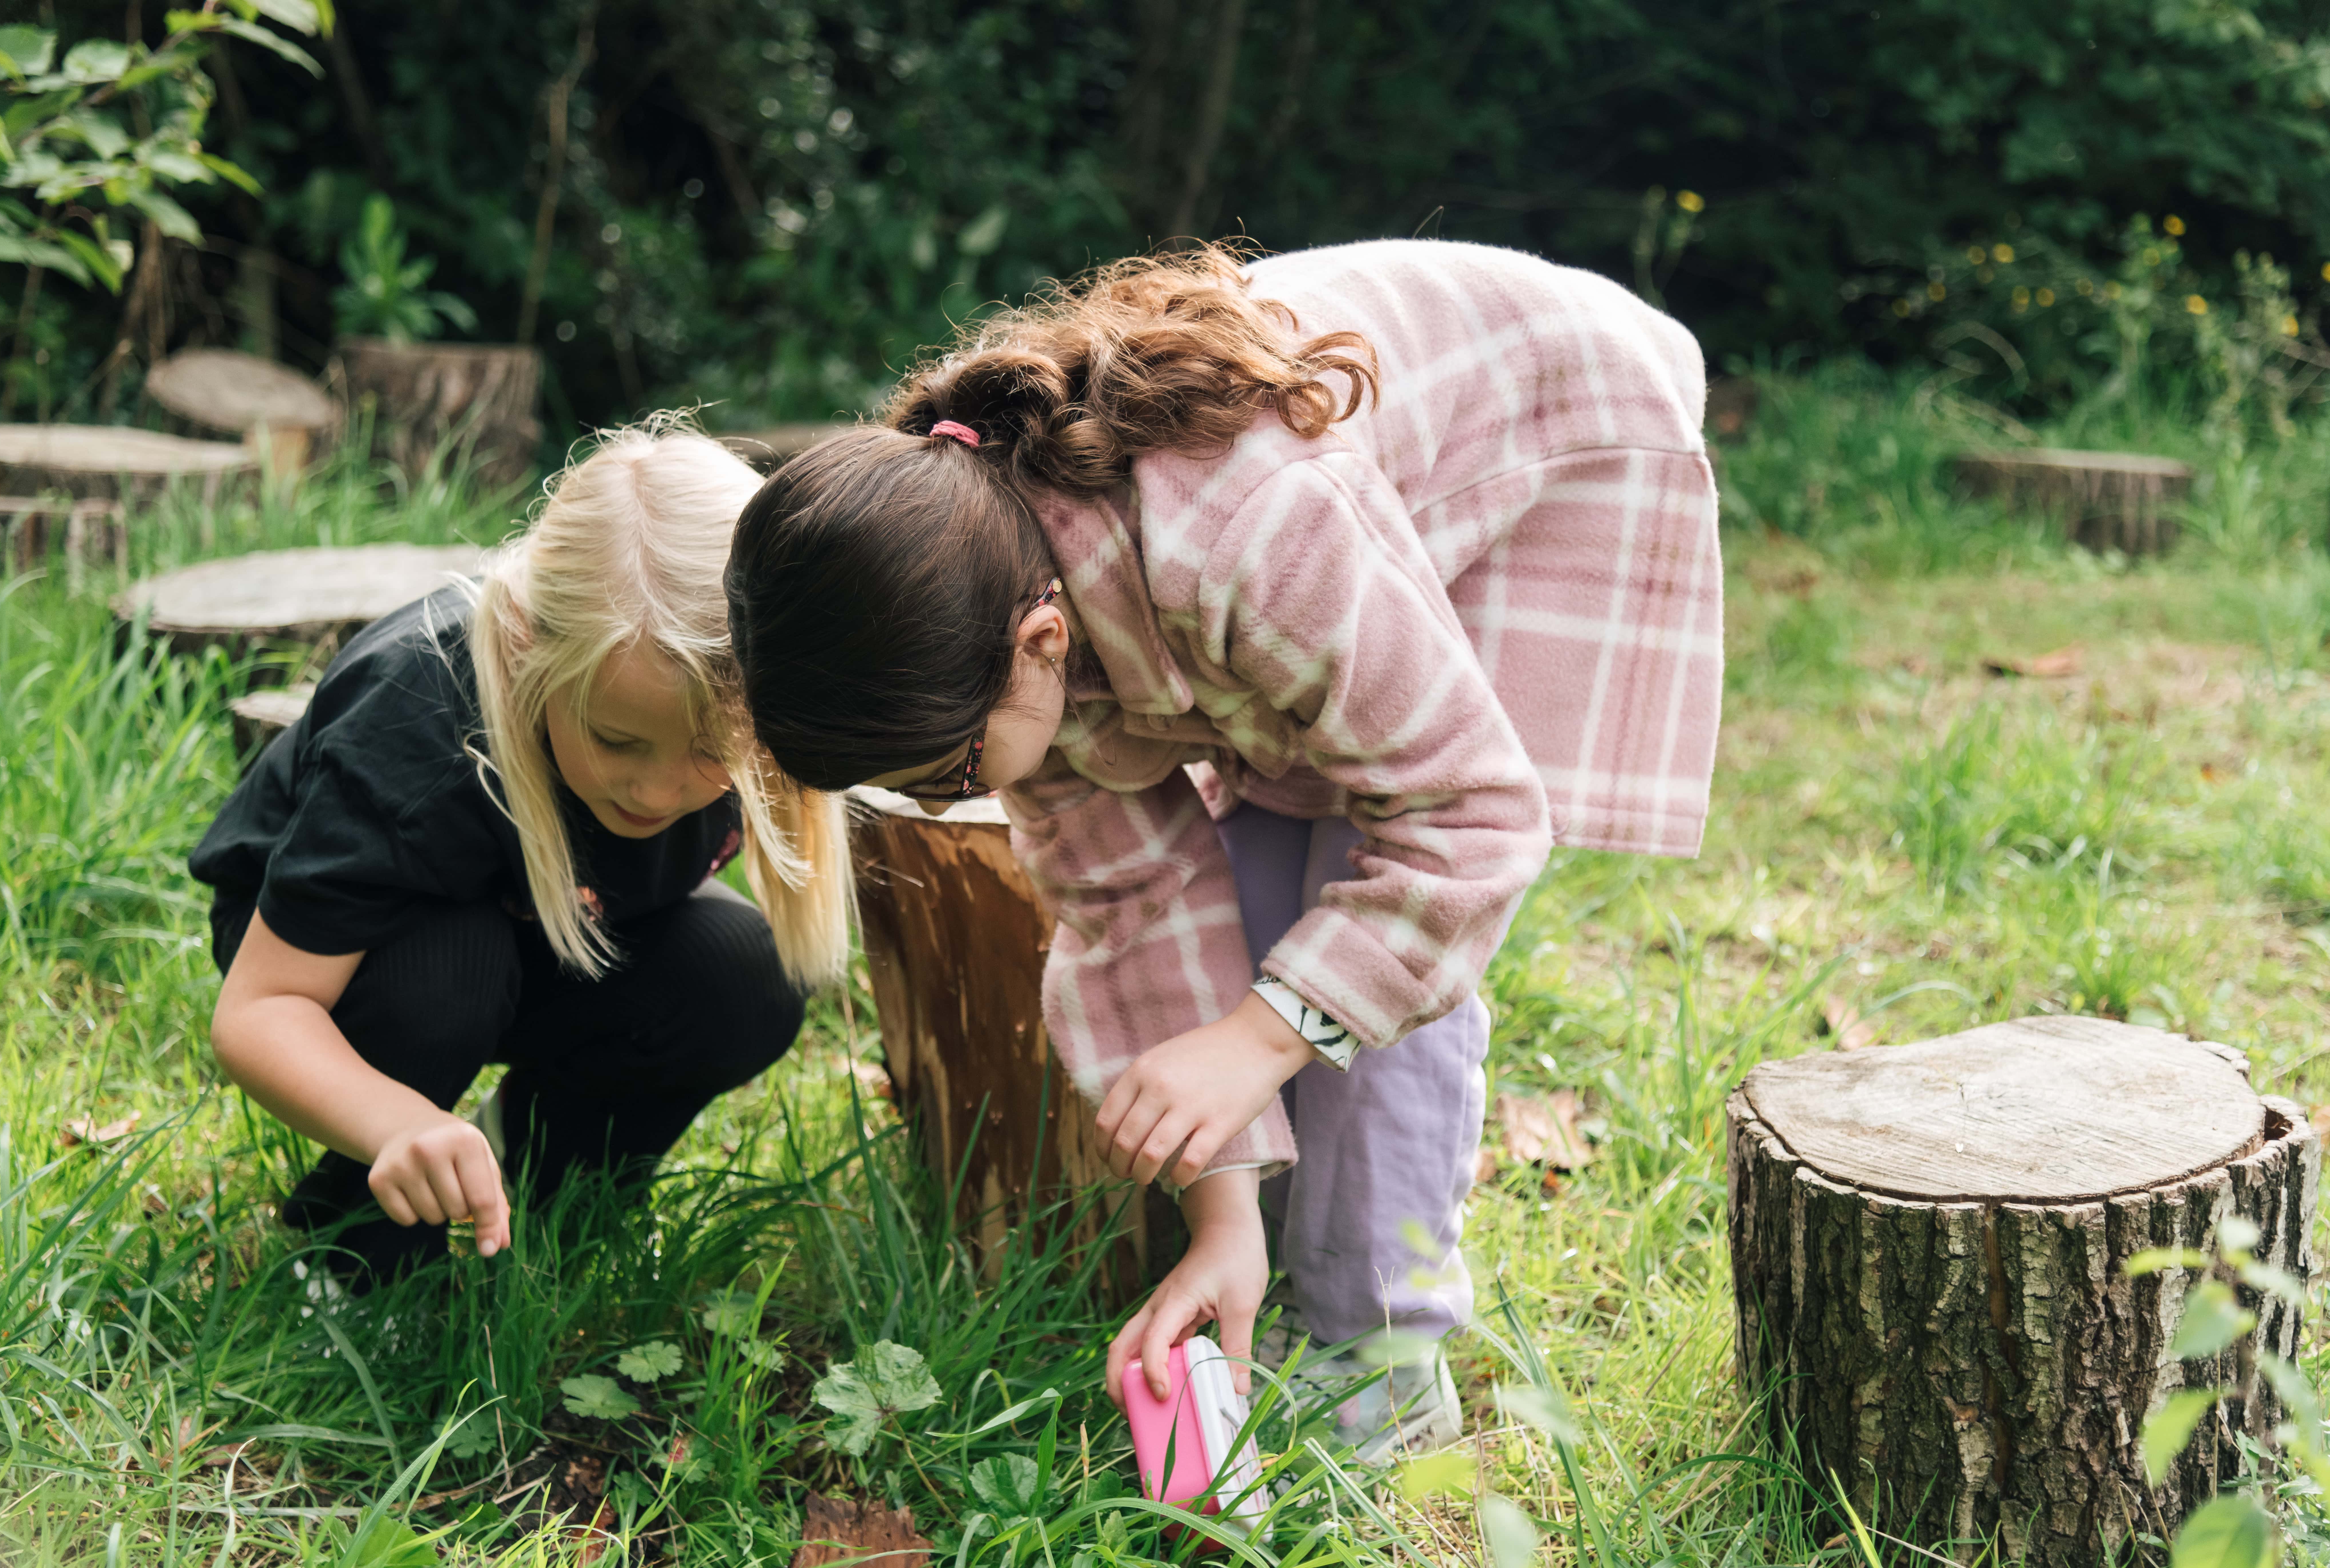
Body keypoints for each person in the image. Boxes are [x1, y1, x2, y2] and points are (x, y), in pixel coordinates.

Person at [724, 239, 1723, 1457]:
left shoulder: (1251, 528)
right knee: (1270, 908)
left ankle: (1379, 1359)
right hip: (1297, 547)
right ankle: (1281, 1275)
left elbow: (1462, 818)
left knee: (1371, 947)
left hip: (1545, 432)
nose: (943, 804)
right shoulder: (999, 592)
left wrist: (1259, 1037)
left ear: (1040, 642)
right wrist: (1222, 1217)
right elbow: (1137, 902)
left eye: (945, 770)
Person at [192, 418, 850, 1285]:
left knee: (744, 975)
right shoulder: (417, 724)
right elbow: (259, 1014)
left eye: (711, 755)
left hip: (548, 923)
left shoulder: (742, 729)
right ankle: (353, 1250)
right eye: (616, 742)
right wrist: (395, 1121)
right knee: (452, 972)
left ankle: (546, 1187)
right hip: (336, 957)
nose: (657, 792)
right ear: (524, 647)